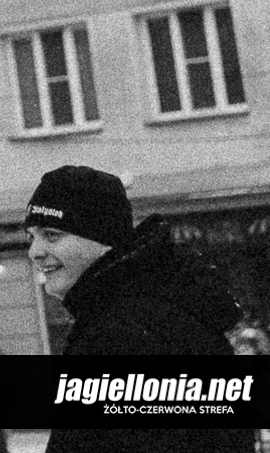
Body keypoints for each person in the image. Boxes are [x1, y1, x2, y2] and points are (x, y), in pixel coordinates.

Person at [25, 165, 252, 453]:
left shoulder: (121, 335)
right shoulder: (159, 305)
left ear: (103, 240)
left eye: (52, 235)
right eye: (31, 237)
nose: (34, 251)